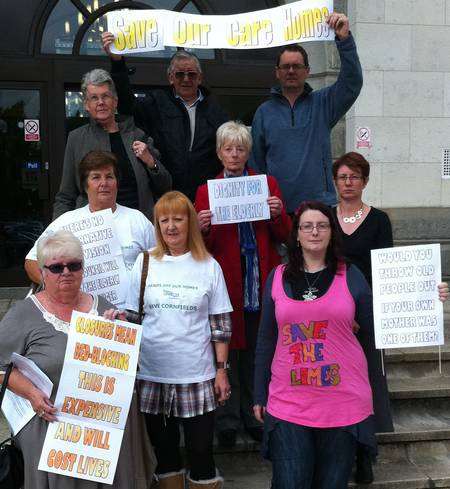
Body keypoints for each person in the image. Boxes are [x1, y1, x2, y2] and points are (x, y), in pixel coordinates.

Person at [0, 230, 155, 489]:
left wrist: (121, 335)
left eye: (74, 265)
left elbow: (128, 369)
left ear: (83, 269)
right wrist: (31, 393)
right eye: (57, 267)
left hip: (103, 430)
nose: (66, 272)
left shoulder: (102, 305)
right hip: (51, 424)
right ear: (42, 272)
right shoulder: (24, 314)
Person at [125, 191, 233, 489]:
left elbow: (220, 325)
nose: (171, 226)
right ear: (157, 226)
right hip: (152, 376)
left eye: (178, 219)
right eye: (164, 220)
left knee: (200, 451)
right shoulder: (144, 263)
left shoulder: (209, 266)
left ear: (190, 223)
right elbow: (131, 318)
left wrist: (221, 370)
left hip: (197, 376)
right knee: (165, 454)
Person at [195, 121, 291, 447]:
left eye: (240, 148)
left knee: (257, 350)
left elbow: (285, 236)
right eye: (228, 148)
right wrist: (202, 227)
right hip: (226, 282)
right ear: (219, 152)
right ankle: (226, 420)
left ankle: (255, 413)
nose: (234, 154)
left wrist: (278, 213)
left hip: (259, 279)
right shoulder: (207, 191)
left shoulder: (267, 184)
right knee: (226, 352)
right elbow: (200, 248)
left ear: (248, 152)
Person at [250, 12, 363, 213]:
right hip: (278, 210)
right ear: (277, 72)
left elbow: (352, 83)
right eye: (285, 66)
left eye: (297, 66)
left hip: (319, 206)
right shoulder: (264, 112)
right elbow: (256, 164)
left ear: (307, 71)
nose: (291, 71)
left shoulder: (323, 103)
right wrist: (261, 204)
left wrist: (344, 40)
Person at [102, 32, 229, 201]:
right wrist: (118, 63)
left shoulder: (215, 110)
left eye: (191, 74)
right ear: (170, 78)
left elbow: (228, 152)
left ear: (200, 78)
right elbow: (127, 106)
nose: (186, 79)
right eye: (179, 74)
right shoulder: (157, 102)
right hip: (164, 194)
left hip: (205, 197)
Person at [25, 150, 155, 308]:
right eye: (96, 177)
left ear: (116, 183)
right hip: (81, 316)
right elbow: (31, 261)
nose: (103, 183)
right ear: (85, 185)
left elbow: (162, 260)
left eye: (109, 176)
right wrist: (56, 285)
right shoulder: (67, 222)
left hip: (130, 315)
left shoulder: (137, 220)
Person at [53, 68, 171, 220]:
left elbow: (165, 186)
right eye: (94, 98)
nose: (101, 102)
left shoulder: (138, 135)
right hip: (95, 231)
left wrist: (151, 161)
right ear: (86, 105)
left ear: (115, 102)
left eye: (105, 96)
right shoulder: (76, 139)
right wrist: (57, 234)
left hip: (136, 228)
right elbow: (65, 196)